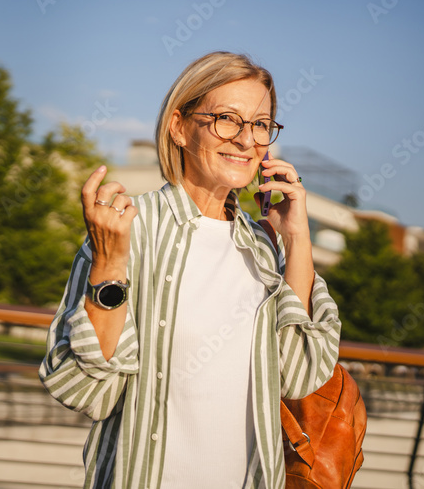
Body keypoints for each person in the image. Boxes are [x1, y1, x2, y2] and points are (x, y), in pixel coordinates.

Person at [40, 51, 341, 489]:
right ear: (179, 127)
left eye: (260, 124)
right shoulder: (127, 230)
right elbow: (86, 392)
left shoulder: (263, 249)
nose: (245, 140)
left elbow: (300, 375)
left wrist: (296, 239)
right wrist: (108, 262)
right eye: (227, 118)